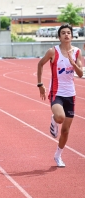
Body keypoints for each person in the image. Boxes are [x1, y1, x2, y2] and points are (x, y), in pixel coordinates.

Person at [37, 24, 83, 167]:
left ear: (72, 36)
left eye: (68, 33)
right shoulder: (53, 51)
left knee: (65, 131)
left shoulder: (77, 52)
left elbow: (81, 73)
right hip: (56, 92)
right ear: (59, 37)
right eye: (63, 33)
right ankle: (54, 120)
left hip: (71, 94)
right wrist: (40, 85)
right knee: (60, 117)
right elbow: (40, 64)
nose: (66, 35)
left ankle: (58, 156)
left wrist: (73, 64)